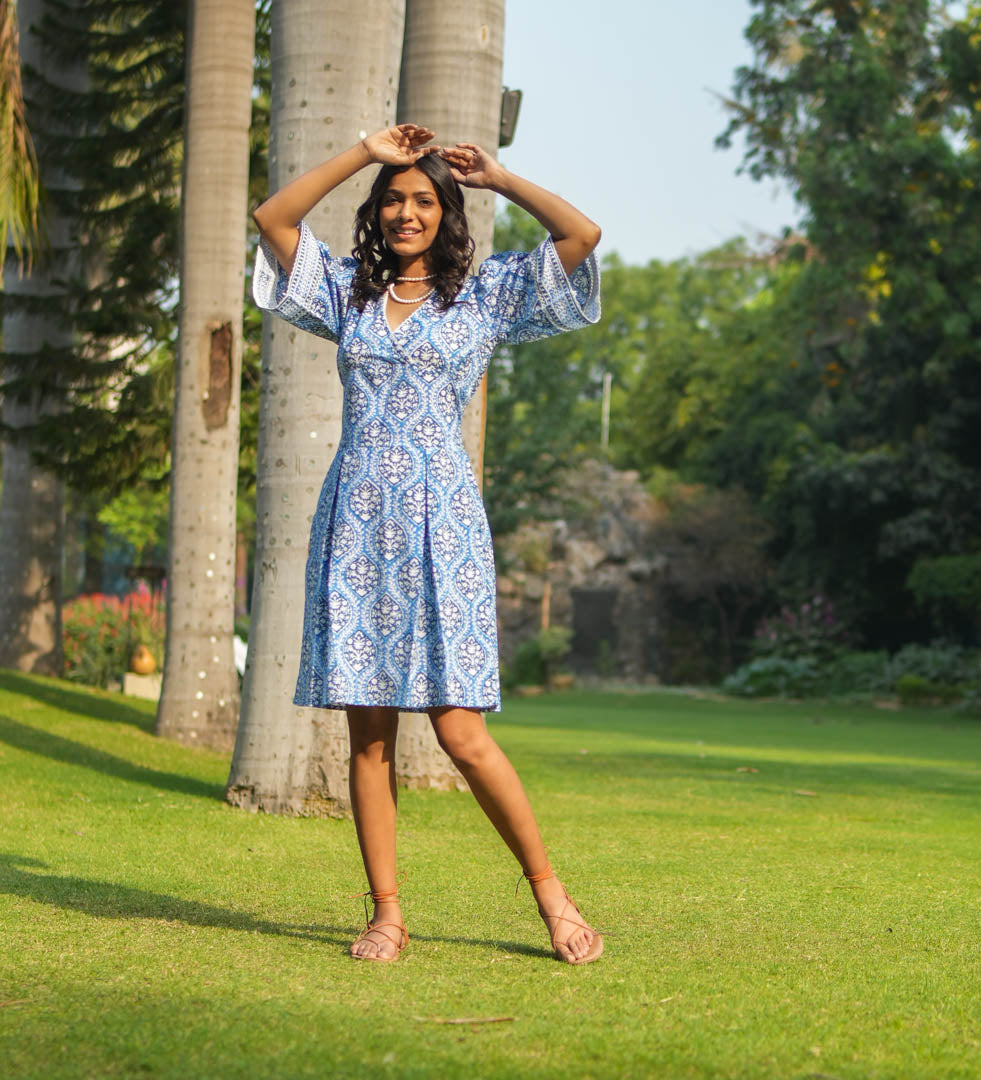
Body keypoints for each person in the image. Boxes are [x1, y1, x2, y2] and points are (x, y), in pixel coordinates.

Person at [251, 124, 603, 964]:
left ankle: (552, 900)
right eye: (394, 202)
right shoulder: (348, 295)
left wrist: (502, 177)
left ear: (448, 215)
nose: (407, 214)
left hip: (443, 528)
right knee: (367, 736)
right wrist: (365, 155)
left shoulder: (485, 298)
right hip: (357, 525)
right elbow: (273, 218)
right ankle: (387, 915)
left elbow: (580, 236)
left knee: (460, 732)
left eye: (424, 202)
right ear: (376, 214)